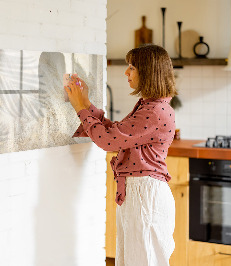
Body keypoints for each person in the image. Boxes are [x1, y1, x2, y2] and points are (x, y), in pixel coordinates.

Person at [65, 44, 177, 266]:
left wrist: (80, 107)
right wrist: (86, 103)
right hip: (140, 193)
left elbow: (108, 141)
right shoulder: (150, 106)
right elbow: (116, 133)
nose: (126, 72)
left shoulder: (154, 111)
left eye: (132, 67)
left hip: (145, 195)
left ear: (148, 72)